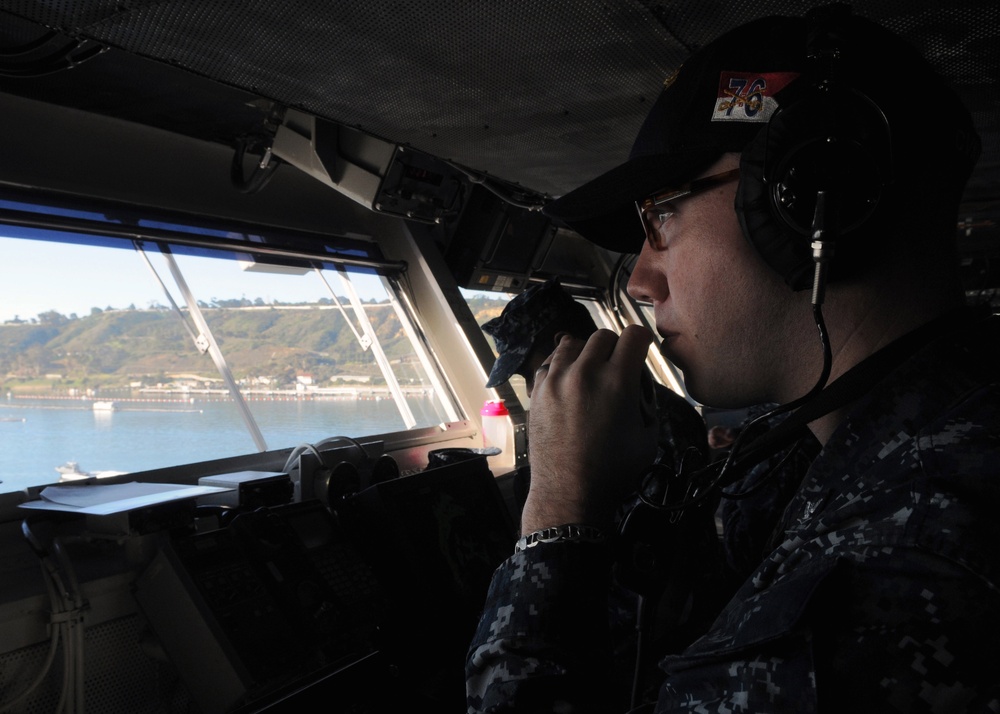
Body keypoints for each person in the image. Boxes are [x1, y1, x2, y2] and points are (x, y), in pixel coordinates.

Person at [467, 4, 999, 713]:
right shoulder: (842, 445)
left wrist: (557, 513)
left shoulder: (908, 566)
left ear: (814, 197)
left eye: (662, 219)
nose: (637, 282)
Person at [481, 277, 719, 696]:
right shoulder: (647, 411)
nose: (533, 392)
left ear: (563, 345)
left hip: (631, 634)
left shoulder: (648, 423)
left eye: (530, 372)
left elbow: (668, 561)